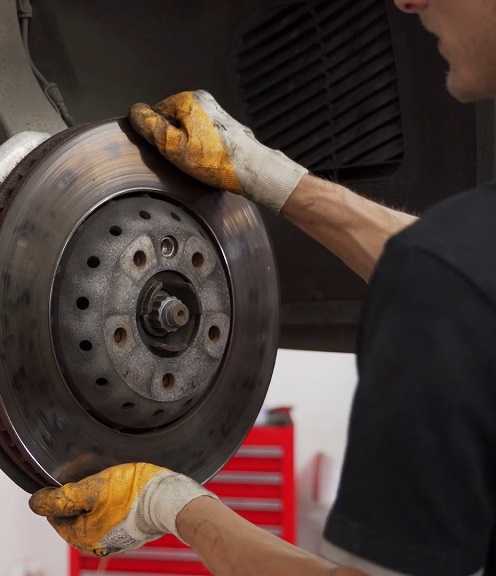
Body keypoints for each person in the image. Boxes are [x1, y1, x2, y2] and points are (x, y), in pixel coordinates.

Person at [28, 0, 496, 574]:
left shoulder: (443, 275)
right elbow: (471, 274)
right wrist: (276, 178)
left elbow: (456, 275)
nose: (407, 1)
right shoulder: (455, 267)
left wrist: (173, 508)